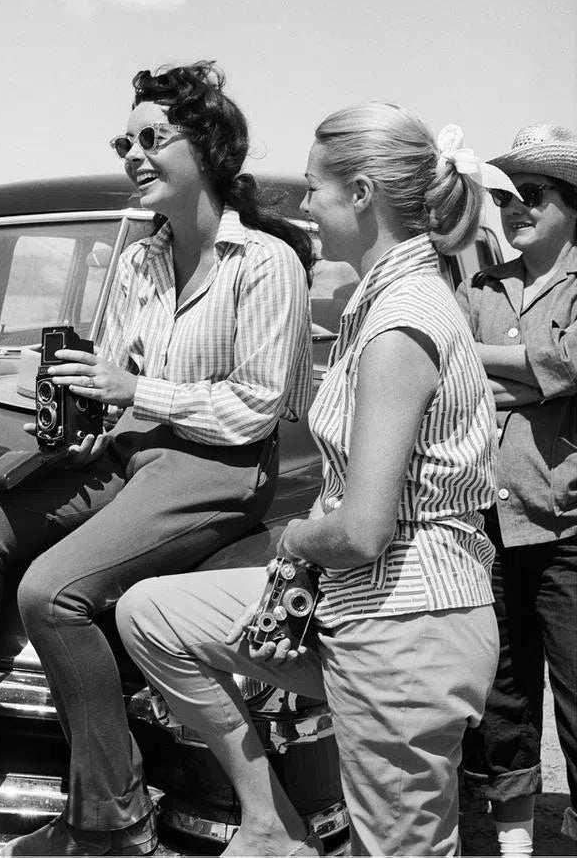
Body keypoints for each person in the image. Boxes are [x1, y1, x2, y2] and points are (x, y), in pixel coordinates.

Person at [0, 62, 316, 857]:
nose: (131, 152)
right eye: (122, 139)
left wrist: (136, 388)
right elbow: (120, 380)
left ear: (208, 146)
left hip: (220, 468)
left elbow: (257, 407)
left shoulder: (266, 263)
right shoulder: (140, 258)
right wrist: (83, 408)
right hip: (133, 454)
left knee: (52, 591)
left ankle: (112, 812)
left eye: (149, 137)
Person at [117, 105, 500, 857]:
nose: (304, 208)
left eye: (317, 190)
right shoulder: (383, 300)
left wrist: (292, 537)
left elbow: (360, 530)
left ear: (361, 194)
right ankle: (269, 823)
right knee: (151, 614)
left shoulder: (402, 322)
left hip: (407, 628)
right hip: (369, 610)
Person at [458, 123, 577, 855]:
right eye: (507, 195)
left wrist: (483, 360)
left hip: (566, 527)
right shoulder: (481, 286)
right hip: (489, 525)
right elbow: (460, 389)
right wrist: (530, 383)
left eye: (530, 194)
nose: (514, 207)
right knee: (500, 695)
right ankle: (514, 840)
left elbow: (568, 365)